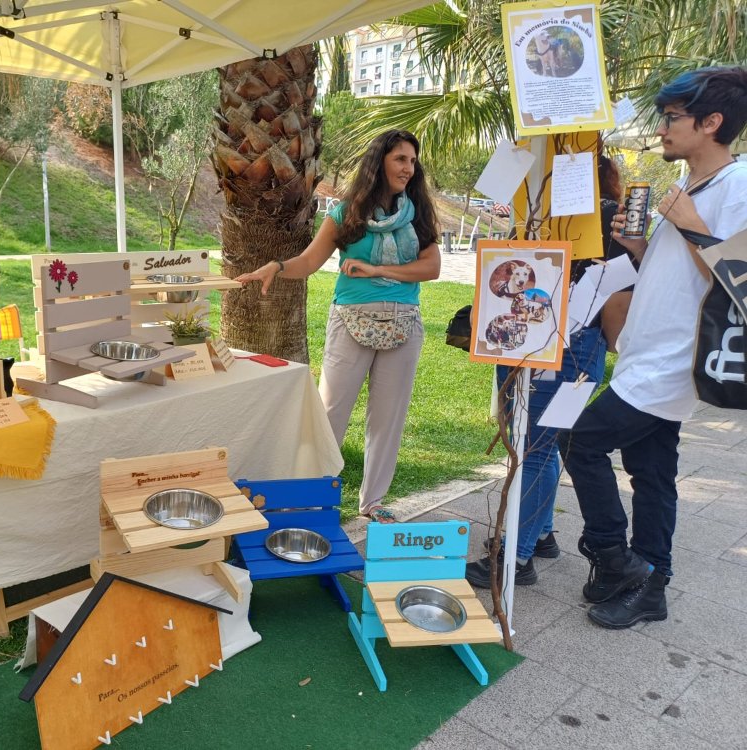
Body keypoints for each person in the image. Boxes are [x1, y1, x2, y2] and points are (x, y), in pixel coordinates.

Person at [558, 66, 747, 628]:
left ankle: (614, 559)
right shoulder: (691, 185)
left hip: (673, 362)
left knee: (581, 441)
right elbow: (682, 278)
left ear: (711, 123)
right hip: (647, 354)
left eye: (672, 118)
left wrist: (691, 229)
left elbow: (737, 278)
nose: (662, 128)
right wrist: (642, 249)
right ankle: (652, 584)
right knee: (653, 472)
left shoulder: (736, 186)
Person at [234, 129, 441, 523]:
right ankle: (311, 495)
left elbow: (431, 268)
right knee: (330, 411)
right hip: (350, 321)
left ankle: (373, 502)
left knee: (388, 417)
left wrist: (379, 269)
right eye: (400, 159)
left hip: (403, 325)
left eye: (413, 161)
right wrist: (277, 268)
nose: (408, 168)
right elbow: (309, 262)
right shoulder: (346, 213)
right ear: (379, 161)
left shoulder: (420, 214)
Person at [465, 154, 628, 588]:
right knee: (543, 443)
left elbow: (618, 297)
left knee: (533, 446)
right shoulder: (547, 216)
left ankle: (514, 557)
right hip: (545, 344)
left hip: (559, 348)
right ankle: (539, 535)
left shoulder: (601, 220)